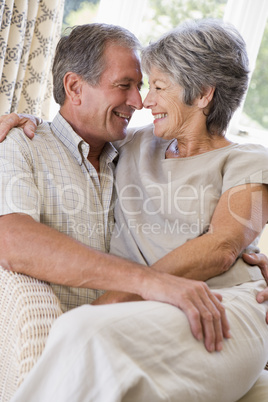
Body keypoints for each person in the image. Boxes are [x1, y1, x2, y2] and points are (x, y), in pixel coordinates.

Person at [2, 19, 268, 401]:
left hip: (222, 305)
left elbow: (224, 245)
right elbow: (12, 233)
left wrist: (114, 298)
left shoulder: (247, 159)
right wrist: (17, 123)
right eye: (134, 86)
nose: (143, 101)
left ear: (203, 95)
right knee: (89, 343)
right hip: (149, 310)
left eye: (154, 87)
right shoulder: (133, 146)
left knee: (82, 332)